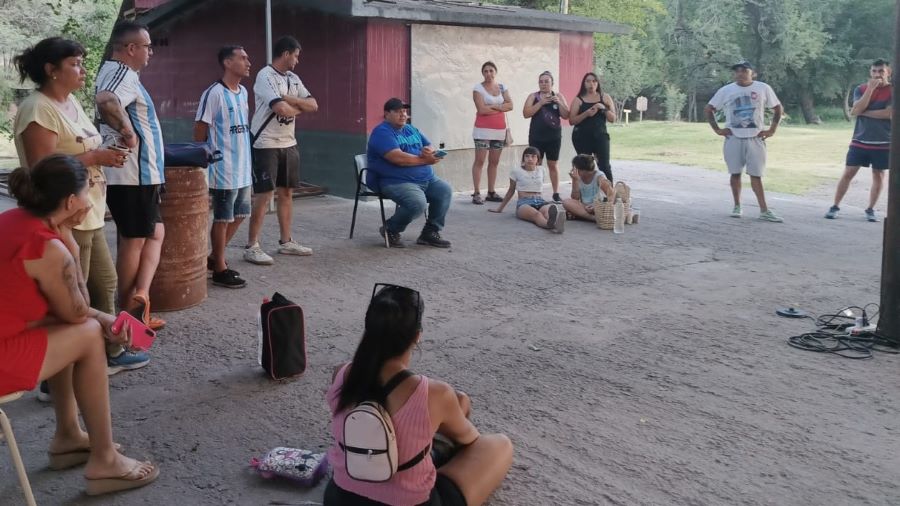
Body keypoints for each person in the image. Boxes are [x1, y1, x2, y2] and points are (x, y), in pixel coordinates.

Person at [0, 155, 159, 496]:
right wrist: (70, 239)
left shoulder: (12, 219)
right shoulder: (51, 247)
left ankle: (68, 437)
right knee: (86, 336)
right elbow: (76, 312)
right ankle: (104, 461)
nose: (92, 197)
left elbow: (59, 313)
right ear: (71, 201)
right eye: (91, 189)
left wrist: (103, 317)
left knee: (72, 329)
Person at [12, 37, 150, 389]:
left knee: (104, 284)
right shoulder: (38, 108)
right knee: (72, 301)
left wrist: (107, 151)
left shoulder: (70, 102)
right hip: (59, 216)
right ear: (51, 70)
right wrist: (94, 159)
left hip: (88, 210)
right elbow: (42, 168)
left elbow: (81, 146)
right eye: (74, 63)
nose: (82, 70)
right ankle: (54, 378)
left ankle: (107, 353)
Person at [323, 284, 513, 506]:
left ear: (369, 327)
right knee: (499, 445)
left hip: (340, 498)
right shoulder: (435, 393)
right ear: (417, 336)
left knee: (459, 401)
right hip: (413, 502)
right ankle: (430, 455)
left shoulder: (342, 374)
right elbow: (470, 439)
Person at [94, 20, 167, 329]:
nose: (150, 52)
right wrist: (128, 132)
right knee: (134, 240)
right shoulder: (122, 73)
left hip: (141, 174)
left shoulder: (118, 73)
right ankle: (127, 314)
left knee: (154, 233)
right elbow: (106, 101)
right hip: (135, 174)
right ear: (131, 48)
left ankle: (139, 297)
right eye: (147, 46)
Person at [243, 36, 319, 265]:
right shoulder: (264, 76)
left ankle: (286, 242)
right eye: (295, 55)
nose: (297, 60)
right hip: (266, 143)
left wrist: (290, 99)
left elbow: (314, 104)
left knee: (287, 192)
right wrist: (297, 105)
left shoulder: (293, 79)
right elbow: (282, 110)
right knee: (264, 195)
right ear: (286, 53)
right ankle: (252, 246)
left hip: (289, 143)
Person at [194, 45, 253, 288]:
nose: (248, 62)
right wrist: (202, 160)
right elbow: (200, 127)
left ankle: (214, 257)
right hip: (223, 168)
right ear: (227, 63)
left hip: (243, 166)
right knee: (222, 218)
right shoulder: (214, 93)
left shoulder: (243, 92)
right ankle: (219, 268)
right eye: (243, 58)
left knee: (240, 215)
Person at [366, 98, 453, 249]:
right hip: (395, 181)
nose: (403, 115)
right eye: (398, 111)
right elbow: (397, 158)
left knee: (444, 190)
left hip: (426, 178)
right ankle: (391, 229)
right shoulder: (381, 132)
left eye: (405, 111)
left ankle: (430, 232)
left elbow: (429, 146)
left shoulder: (411, 129)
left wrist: (430, 152)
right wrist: (426, 160)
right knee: (417, 203)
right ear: (386, 114)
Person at [705, 60, 784, 223]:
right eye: (737, 71)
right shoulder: (726, 90)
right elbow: (709, 108)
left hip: (755, 137)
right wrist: (717, 129)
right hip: (734, 136)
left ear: (752, 73)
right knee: (735, 173)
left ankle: (764, 210)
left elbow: (777, 108)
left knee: (756, 174)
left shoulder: (763, 88)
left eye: (744, 71)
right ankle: (737, 205)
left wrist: (772, 129)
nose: (740, 73)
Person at [826, 59, 893, 222]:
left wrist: (864, 112)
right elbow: (855, 110)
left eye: (881, 71)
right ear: (870, 72)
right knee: (848, 172)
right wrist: (870, 89)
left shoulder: (893, 90)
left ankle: (870, 209)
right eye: (874, 71)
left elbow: (889, 114)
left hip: (883, 142)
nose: (877, 74)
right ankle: (835, 206)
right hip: (860, 140)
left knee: (879, 175)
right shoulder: (861, 88)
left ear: (888, 72)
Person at [488, 146, 566, 233]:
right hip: (524, 203)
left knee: (547, 213)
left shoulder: (541, 170)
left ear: (538, 159)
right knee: (537, 215)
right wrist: (500, 208)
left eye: (533, 156)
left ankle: (554, 222)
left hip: (540, 201)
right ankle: (550, 225)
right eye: (527, 156)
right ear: (523, 158)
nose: (530, 159)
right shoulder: (516, 171)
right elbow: (511, 190)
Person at [470, 61, 513, 205]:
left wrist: (492, 106)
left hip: (499, 130)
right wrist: (500, 107)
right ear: (482, 73)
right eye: (485, 71)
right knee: (480, 161)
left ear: (495, 72)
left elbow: (511, 105)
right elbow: (481, 110)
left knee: (494, 162)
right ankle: (476, 192)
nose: (488, 73)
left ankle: (491, 192)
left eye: (491, 71)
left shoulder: (502, 87)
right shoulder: (478, 88)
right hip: (482, 130)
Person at [523, 71, 569, 202]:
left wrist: (559, 103)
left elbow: (567, 115)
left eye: (546, 81)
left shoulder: (558, 96)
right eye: (541, 81)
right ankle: (534, 192)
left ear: (552, 83)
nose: (543, 84)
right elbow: (526, 113)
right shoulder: (533, 96)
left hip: (554, 137)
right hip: (536, 136)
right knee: (535, 165)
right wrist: (540, 103)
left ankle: (555, 193)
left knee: (553, 164)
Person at [569, 72, 616, 185]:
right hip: (582, 137)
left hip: (600, 136)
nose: (591, 84)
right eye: (588, 81)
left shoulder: (605, 97)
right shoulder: (578, 99)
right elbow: (571, 120)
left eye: (594, 81)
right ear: (584, 83)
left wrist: (603, 108)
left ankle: (609, 195)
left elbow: (613, 119)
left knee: (604, 165)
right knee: (584, 166)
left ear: (598, 83)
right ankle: (584, 194)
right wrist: (586, 114)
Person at [562, 154, 614, 222]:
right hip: (585, 207)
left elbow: (611, 194)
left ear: (581, 170)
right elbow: (575, 198)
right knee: (566, 202)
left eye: (574, 168)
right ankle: (593, 218)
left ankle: (581, 215)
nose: (572, 170)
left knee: (571, 211)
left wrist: (595, 206)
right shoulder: (578, 177)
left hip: (600, 206)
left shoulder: (599, 177)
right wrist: (575, 180)